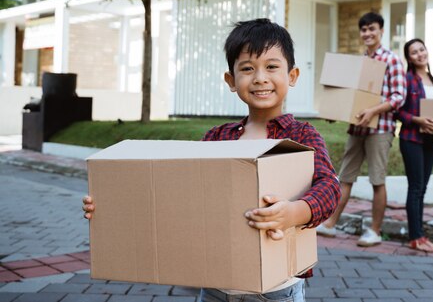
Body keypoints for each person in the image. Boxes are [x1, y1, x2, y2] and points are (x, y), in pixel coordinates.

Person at [83, 18, 341, 302]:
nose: (260, 78)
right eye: (247, 68)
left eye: (271, 66)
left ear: (292, 75)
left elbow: (329, 186)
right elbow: (176, 191)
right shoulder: (217, 138)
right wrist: (110, 205)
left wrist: (294, 212)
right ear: (231, 80)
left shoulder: (301, 135)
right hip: (217, 287)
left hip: (278, 289)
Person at [316, 12, 406, 247]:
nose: (367, 33)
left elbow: (399, 97)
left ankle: (375, 231)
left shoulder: (391, 60)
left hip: (381, 128)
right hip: (357, 129)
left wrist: (373, 111)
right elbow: (350, 96)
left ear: (381, 31)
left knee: (377, 179)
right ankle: (329, 225)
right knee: (345, 177)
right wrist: (336, 112)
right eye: (363, 30)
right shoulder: (358, 62)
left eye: (372, 29)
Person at [395, 38, 433, 252]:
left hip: (429, 139)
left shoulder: (431, 79)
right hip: (411, 139)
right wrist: (418, 120)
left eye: (422, 49)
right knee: (415, 188)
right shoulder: (407, 80)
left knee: (422, 189)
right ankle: (415, 237)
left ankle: (421, 236)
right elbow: (398, 111)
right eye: (414, 52)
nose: (420, 54)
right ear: (409, 58)